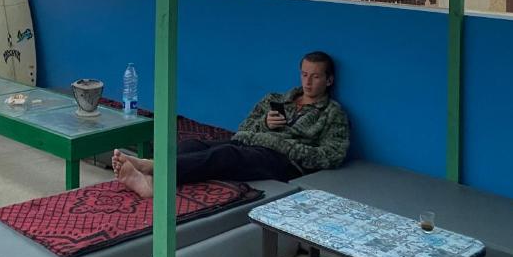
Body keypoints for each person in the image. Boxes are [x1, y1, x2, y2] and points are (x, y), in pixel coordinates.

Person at [113, 51, 348, 198]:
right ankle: (154, 181)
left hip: (285, 162)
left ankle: (153, 170)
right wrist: (265, 124)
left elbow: (332, 155)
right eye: (304, 74)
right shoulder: (276, 99)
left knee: (227, 154)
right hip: (253, 144)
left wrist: (282, 144)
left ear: (329, 80)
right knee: (193, 144)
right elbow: (244, 127)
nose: (307, 81)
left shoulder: (332, 113)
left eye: (315, 76)